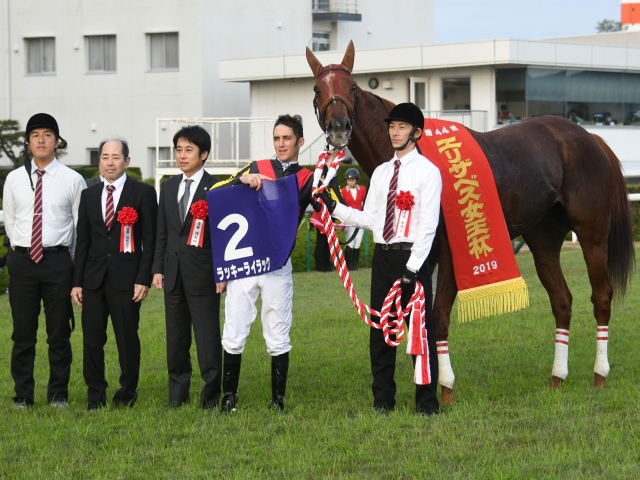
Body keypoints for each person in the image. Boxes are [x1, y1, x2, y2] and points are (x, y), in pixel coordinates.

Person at [317, 103, 442, 416]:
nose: (394, 132)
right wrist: (335, 207)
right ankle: (383, 400)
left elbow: (428, 227)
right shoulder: (383, 172)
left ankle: (426, 403)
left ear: (417, 133)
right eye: (392, 127)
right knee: (381, 331)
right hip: (383, 259)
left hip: (411, 259)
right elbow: (371, 218)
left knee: (419, 333)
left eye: (401, 127)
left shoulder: (428, 172)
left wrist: (413, 269)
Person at [211, 114, 340, 414]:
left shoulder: (308, 178)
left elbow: (334, 204)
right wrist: (241, 180)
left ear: (300, 142)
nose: (281, 144)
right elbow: (217, 192)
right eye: (276, 138)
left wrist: (329, 172)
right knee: (234, 328)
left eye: (286, 138)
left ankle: (277, 400)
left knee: (278, 331)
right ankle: (229, 395)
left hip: (278, 266)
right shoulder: (257, 166)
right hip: (245, 264)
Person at [2, 113, 86, 409]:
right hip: (22, 262)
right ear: (27, 142)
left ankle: (58, 394)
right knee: (22, 334)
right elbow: (11, 222)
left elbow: (80, 226)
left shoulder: (72, 179)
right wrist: (21, 249)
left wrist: (70, 260)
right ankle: (23, 395)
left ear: (57, 141)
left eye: (47, 134)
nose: (41, 140)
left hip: (58, 262)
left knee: (58, 333)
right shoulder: (13, 179)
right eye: (35, 135)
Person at [71, 139, 157, 409]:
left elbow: (150, 240)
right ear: (99, 162)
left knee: (127, 338)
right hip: (93, 280)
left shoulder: (142, 193)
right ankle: (95, 394)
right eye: (105, 157)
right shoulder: (88, 194)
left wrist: (143, 279)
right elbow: (82, 241)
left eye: (115, 157)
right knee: (92, 340)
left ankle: (127, 393)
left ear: (127, 161)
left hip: (127, 280)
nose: (110, 162)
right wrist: (77, 282)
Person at [152, 125, 225, 410]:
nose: (182, 156)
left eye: (189, 150)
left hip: (204, 274)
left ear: (203, 154)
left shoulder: (216, 187)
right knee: (176, 339)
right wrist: (157, 268)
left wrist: (221, 272)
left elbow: (221, 235)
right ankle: (177, 395)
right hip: (172, 275)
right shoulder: (168, 187)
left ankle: (210, 397)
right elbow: (162, 232)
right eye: (178, 150)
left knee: (207, 339)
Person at [341, 168, 366, 270]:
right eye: (348, 180)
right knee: (350, 242)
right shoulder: (343, 191)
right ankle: (348, 265)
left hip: (359, 218)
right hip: (349, 219)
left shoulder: (362, 189)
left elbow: (364, 203)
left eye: (352, 180)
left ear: (356, 180)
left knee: (358, 242)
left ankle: (354, 265)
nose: (350, 182)